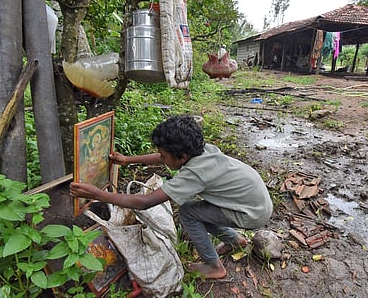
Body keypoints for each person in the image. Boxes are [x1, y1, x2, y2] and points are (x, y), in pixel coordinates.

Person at [70, 114, 273, 279]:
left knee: (188, 213)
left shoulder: (194, 174)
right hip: (256, 203)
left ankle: (214, 267)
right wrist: (128, 160)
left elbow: (144, 202)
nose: (162, 158)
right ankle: (235, 240)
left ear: (182, 157)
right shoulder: (201, 151)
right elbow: (163, 156)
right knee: (198, 210)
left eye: (164, 156)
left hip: (251, 213)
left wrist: (99, 194)